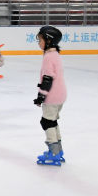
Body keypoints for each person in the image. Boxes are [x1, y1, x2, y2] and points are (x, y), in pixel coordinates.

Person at [34, 25, 67, 166]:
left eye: (41, 40)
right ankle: (58, 150)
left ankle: (54, 152)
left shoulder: (48, 57)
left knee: (46, 122)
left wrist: (41, 96)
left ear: (49, 41)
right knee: (52, 121)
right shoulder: (55, 55)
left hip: (52, 96)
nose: (39, 42)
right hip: (60, 95)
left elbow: (47, 79)